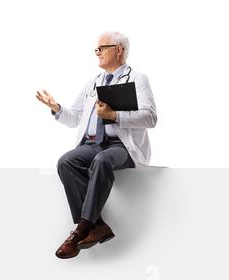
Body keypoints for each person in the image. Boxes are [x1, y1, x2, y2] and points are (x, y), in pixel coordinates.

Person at [36, 31, 157, 259]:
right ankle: (97, 225)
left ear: (119, 50)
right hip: (93, 143)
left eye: (102, 48)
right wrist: (57, 108)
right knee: (66, 161)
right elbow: (75, 118)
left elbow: (151, 118)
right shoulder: (94, 82)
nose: (98, 53)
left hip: (122, 146)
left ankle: (80, 230)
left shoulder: (138, 79)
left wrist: (115, 115)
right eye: (97, 49)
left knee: (102, 160)